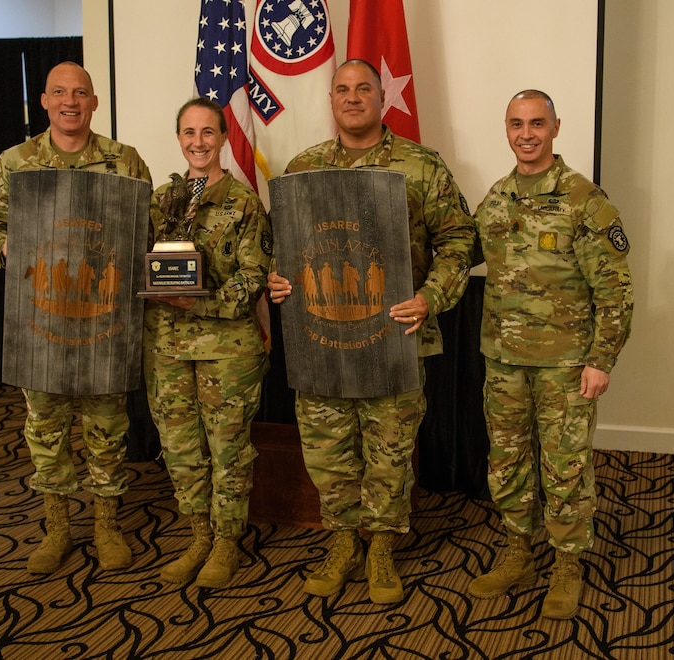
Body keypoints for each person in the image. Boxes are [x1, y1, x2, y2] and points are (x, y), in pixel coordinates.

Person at [267, 59, 476, 605]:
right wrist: (278, 279)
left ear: (382, 97)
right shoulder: (303, 168)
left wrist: (432, 297)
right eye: (342, 89)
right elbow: (283, 247)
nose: (352, 97)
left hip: (394, 338)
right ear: (331, 99)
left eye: (364, 88)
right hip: (320, 337)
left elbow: (460, 241)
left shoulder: (420, 165)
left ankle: (381, 546)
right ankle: (341, 542)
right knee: (328, 451)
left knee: (388, 452)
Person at [0, 62, 151, 575]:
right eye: (59, 93)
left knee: (107, 428)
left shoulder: (126, 161)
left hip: (106, 323)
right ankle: (56, 527)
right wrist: (2, 246)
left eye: (81, 93)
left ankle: (106, 524)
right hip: (41, 324)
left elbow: (147, 232)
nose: (70, 101)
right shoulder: (16, 162)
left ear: (95, 102)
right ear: (45, 102)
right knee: (45, 429)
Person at [467, 90, 633, 619]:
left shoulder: (586, 201)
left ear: (556, 127)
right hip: (503, 359)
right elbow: (458, 252)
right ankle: (518, 549)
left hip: (566, 363)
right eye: (516, 123)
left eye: (537, 123)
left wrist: (601, 360)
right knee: (507, 461)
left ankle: (567, 563)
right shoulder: (495, 199)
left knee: (565, 466)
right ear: (507, 128)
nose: (526, 134)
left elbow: (615, 290)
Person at [143, 98, 272, 588]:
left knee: (228, 449)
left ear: (222, 138)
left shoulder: (243, 203)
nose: (197, 142)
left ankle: (226, 542)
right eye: (188, 132)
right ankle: (198, 533)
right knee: (179, 447)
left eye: (207, 133)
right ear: (179, 138)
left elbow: (253, 278)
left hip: (227, 349)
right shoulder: (159, 201)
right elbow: (142, 261)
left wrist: (197, 303)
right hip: (165, 346)